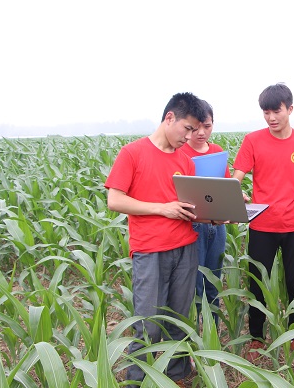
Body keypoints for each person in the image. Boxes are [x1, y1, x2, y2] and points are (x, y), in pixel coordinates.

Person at [105, 92, 207, 387]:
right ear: (169, 118)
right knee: (148, 324)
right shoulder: (133, 153)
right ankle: (137, 381)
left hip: (185, 248)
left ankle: (177, 376)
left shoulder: (185, 161)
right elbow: (115, 200)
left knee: (179, 321)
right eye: (187, 129)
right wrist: (162, 208)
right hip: (150, 250)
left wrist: (215, 212)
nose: (189, 137)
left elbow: (187, 205)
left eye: (194, 130)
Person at [232, 83, 294, 362]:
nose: (271, 118)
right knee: (257, 282)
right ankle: (256, 337)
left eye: (276, 111)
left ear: (290, 109)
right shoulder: (253, 140)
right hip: (261, 226)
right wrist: (232, 196)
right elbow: (237, 177)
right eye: (266, 112)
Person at [179, 100, 230, 327]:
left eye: (207, 126)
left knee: (214, 282)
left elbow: (225, 183)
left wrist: (235, 195)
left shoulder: (217, 151)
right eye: (196, 127)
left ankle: (213, 333)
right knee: (194, 284)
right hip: (193, 225)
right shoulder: (180, 151)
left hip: (217, 225)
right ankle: (195, 332)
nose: (201, 133)